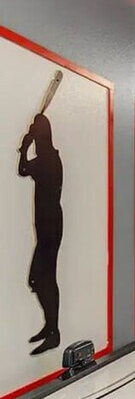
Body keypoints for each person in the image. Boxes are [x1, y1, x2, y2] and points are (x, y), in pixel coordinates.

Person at [19, 112, 63, 355]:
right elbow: (24, 169)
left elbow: (24, 168)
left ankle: (53, 331)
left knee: (40, 278)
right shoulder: (48, 158)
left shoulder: (49, 160)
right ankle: (51, 327)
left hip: (50, 227)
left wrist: (25, 147)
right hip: (48, 225)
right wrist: (26, 147)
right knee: (43, 278)